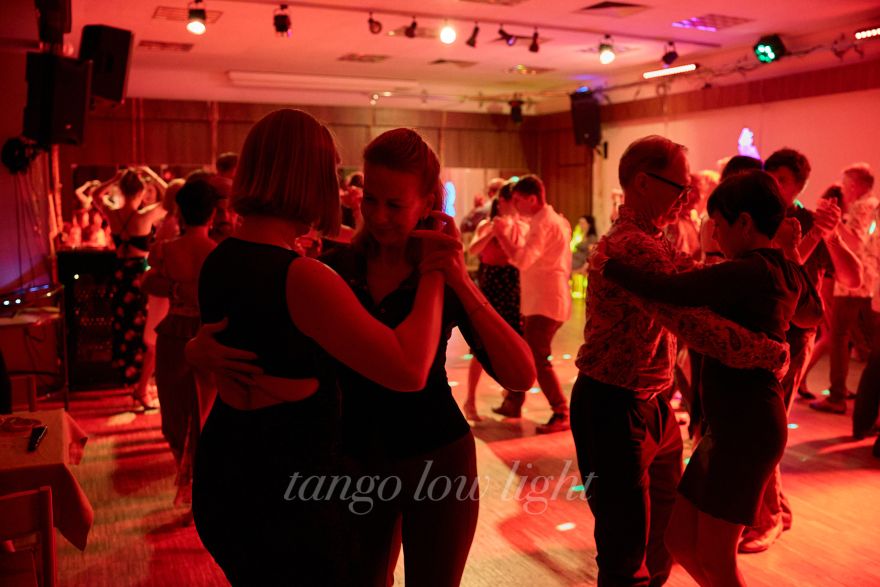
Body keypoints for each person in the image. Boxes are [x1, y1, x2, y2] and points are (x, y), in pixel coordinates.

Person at [185, 109, 449, 586]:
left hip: (223, 468)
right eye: (330, 171)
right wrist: (435, 269)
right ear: (309, 178)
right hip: (285, 489)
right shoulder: (303, 277)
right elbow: (409, 370)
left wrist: (191, 350)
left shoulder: (220, 260)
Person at [572, 136, 791, 587]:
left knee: (663, 543)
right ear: (642, 183)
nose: (688, 198)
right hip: (613, 405)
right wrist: (771, 352)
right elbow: (693, 324)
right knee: (626, 553)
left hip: (651, 403)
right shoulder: (633, 247)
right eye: (680, 187)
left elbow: (700, 283)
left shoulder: (656, 240)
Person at [741, 150, 862, 553]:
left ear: (799, 186)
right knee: (761, 426)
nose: (773, 185)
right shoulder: (759, 217)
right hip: (759, 332)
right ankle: (776, 510)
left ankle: (769, 517)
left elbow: (852, 276)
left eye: (782, 180)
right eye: (769, 176)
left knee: (766, 428)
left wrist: (831, 234)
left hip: (793, 337)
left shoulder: (809, 222)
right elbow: (770, 270)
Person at [141, 180, 219, 519]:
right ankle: (200, 487)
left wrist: (175, 287)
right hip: (207, 334)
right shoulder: (217, 253)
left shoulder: (165, 250)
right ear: (213, 214)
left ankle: (185, 478)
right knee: (205, 412)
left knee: (174, 411)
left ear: (181, 212)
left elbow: (146, 282)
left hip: (173, 333)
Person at [490, 174, 573, 434]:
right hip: (544, 299)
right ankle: (514, 401)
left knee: (537, 357)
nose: (515, 205)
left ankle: (561, 411)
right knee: (531, 352)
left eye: (518, 200)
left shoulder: (543, 223)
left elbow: (523, 261)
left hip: (545, 301)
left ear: (532, 199)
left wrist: (502, 236)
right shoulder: (552, 220)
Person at [92, 167, 168, 407]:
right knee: (145, 334)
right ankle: (141, 387)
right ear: (142, 191)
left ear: (121, 190)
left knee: (124, 328)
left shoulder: (113, 214)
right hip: (139, 279)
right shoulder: (144, 216)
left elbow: (95, 195)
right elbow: (170, 198)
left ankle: (136, 383)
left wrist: (113, 178)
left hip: (119, 276)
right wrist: (150, 173)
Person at [811, 163, 877, 415]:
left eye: (846, 183)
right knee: (861, 340)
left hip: (852, 284)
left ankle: (837, 396)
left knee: (839, 336)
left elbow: (856, 243)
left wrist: (833, 224)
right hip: (867, 283)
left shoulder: (861, 207)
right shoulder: (874, 205)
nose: (842, 189)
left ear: (856, 185)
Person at [463, 181, 529, 422]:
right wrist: (493, 231)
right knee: (482, 345)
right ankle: (470, 400)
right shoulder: (487, 224)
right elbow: (472, 250)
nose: (516, 206)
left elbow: (523, 255)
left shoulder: (521, 225)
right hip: (492, 283)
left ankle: (509, 395)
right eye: (513, 201)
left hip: (512, 284)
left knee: (513, 341)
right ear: (502, 202)